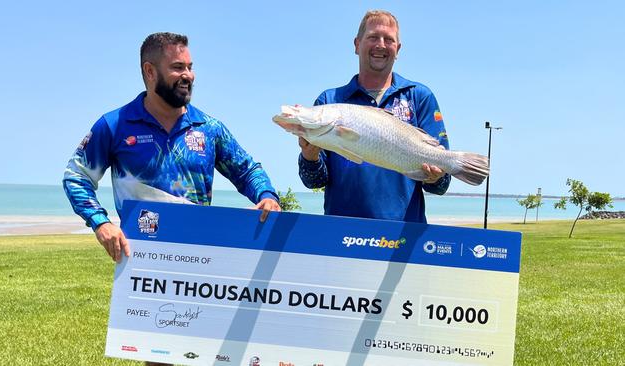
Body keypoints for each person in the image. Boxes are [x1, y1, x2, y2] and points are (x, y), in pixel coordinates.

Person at [63, 32, 281, 265]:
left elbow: (247, 171)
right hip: (140, 262)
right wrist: (101, 223)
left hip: (199, 259)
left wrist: (266, 196)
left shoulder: (209, 128)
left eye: (190, 67)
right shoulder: (115, 125)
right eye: (177, 67)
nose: (188, 75)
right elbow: (77, 177)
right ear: (150, 71)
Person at [298, 10, 450, 223]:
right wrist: (310, 156)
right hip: (341, 233)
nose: (381, 44)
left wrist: (437, 175)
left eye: (389, 39)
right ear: (356, 44)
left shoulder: (419, 97)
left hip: (403, 236)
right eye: (373, 37)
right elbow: (312, 181)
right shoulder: (330, 102)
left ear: (398, 49)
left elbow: (441, 185)